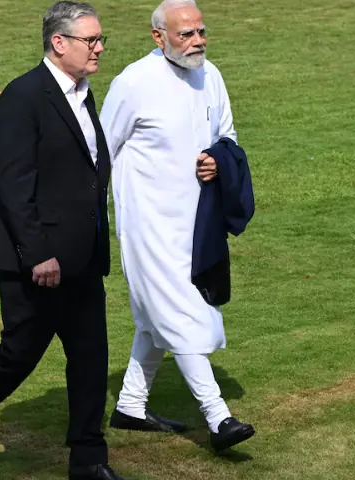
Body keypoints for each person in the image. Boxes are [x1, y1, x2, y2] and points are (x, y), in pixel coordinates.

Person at [0, 3, 125, 479]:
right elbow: (14, 186)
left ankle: (88, 458)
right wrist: (38, 254)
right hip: (35, 260)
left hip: (82, 257)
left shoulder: (82, 93)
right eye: (91, 41)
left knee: (90, 358)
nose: (100, 49)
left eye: (101, 40)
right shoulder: (22, 97)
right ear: (59, 43)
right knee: (19, 354)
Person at [99, 0, 255, 452]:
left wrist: (216, 161)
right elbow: (100, 153)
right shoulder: (133, 83)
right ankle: (219, 417)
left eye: (201, 32)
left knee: (158, 317)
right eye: (186, 34)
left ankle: (130, 405)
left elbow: (228, 136)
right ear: (158, 37)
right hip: (148, 227)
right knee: (184, 314)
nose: (197, 41)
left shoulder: (213, 76)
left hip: (196, 223)